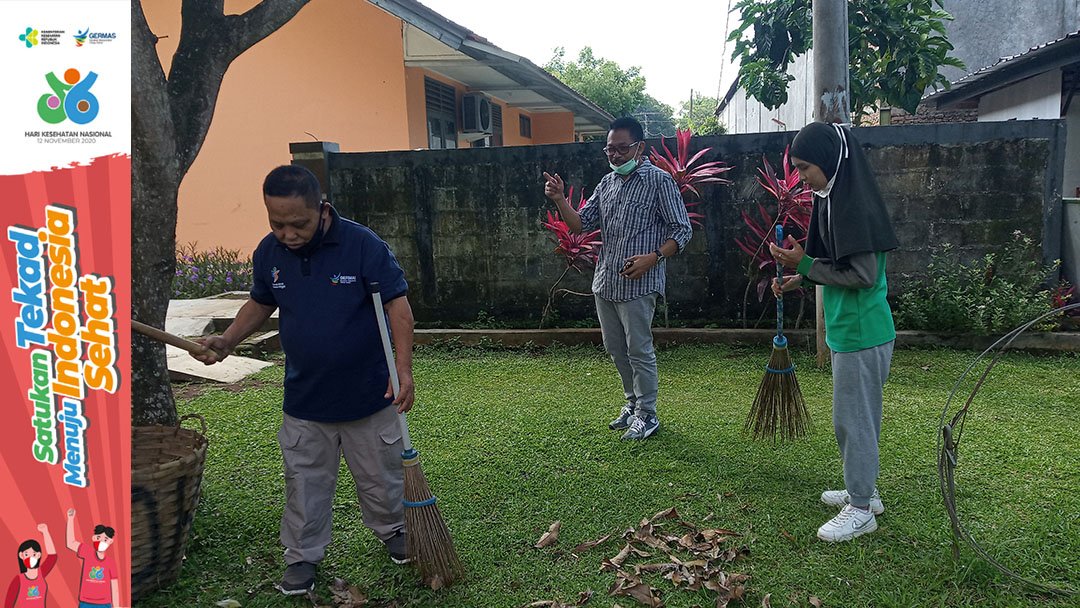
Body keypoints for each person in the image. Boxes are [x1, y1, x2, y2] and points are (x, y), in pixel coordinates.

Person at [192, 165, 416, 595]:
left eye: (299, 223)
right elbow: (260, 303)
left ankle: (392, 530)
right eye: (277, 223)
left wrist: (402, 370)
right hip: (305, 399)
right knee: (305, 484)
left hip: (369, 393)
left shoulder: (362, 245)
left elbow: (398, 308)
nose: (288, 233)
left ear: (321, 209)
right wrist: (228, 340)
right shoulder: (269, 253)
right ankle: (302, 557)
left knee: (380, 476)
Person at [769, 122, 898, 542]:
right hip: (851, 331)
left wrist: (803, 266)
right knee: (856, 419)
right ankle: (865, 491)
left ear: (829, 160)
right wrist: (799, 277)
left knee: (853, 421)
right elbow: (832, 265)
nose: (801, 176)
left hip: (863, 333)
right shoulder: (833, 198)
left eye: (805, 167)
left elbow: (861, 273)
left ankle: (861, 509)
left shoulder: (853, 206)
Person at [543, 116, 692, 440]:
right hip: (606, 281)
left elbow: (682, 230)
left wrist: (653, 258)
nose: (615, 155)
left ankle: (648, 415)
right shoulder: (606, 183)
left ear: (640, 147)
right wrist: (559, 199)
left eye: (622, 148)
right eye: (610, 149)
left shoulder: (659, 181)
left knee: (639, 349)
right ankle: (632, 404)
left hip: (640, 282)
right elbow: (581, 224)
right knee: (615, 349)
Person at [65, 509, 119, 608]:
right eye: (99, 538)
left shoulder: (111, 562)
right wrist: (70, 519)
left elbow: (114, 586)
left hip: (104, 604)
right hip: (86, 603)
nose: (101, 541)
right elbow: (70, 543)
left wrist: (116, 606)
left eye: (105, 539)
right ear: (94, 538)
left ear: (110, 541)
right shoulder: (87, 552)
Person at [5, 524, 56, 607]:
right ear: (21, 556)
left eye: (34, 554)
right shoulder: (18, 580)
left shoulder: (41, 573)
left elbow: (52, 557)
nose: (30, 557)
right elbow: (8, 604)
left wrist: (45, 532)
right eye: (26, 554)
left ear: (39, 555)